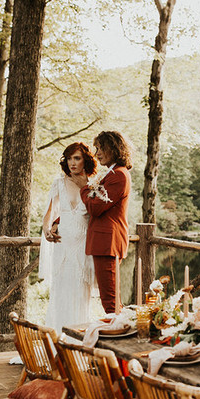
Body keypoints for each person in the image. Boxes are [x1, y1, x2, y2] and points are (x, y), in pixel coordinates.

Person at [38, 142, 98, 334]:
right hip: (62, 248)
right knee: (61, 295)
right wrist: (48, 229)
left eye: (77, 158)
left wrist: (88, 187)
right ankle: (58, 341)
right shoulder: (59, 183)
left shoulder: (94, 184)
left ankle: (78, 343)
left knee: (81, 295)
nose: (72, 163)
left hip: (83, 248)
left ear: (86, 160)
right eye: (70, 158)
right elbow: (48, 213)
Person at [71, 130, 132, 314]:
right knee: (110, 297)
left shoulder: (119, 175)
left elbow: (96, 208)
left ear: (114, 148)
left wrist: (83, 188)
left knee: (110, 300)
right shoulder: (111, 173)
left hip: (108, 243)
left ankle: (120, 337)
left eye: (100, 148)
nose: (97, 153)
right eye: (96, 148)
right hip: (103, 242)